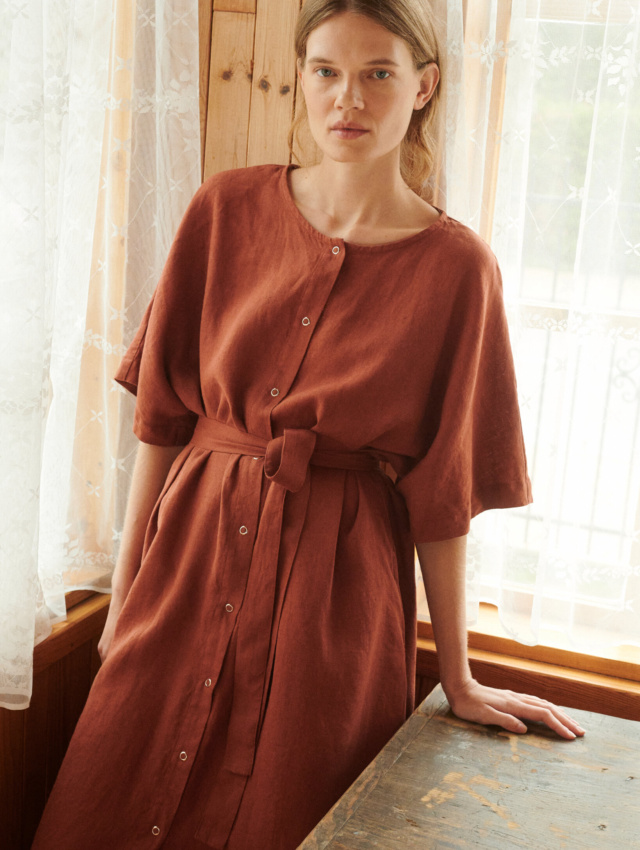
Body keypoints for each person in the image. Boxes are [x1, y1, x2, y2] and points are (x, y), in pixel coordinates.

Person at [32, 1, 585, 848]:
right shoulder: (223, 211)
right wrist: (127, 586)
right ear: (301, 77)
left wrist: (461, 679)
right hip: (189, 559)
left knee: (293, 812)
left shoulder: (458, 271)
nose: (347, 101)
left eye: (377, 75)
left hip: (337, 599)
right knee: (109, 793)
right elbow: (162, 417)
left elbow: (444, 494)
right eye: (326, 71)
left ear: (423, 87)